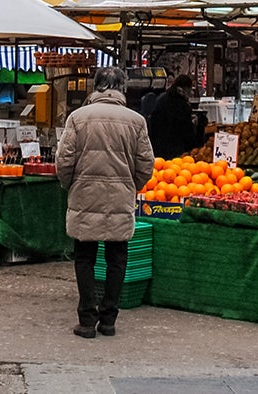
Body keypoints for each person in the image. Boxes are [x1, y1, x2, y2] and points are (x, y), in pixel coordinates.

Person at [55, 65, 154, 339]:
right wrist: (130, 186)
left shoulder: (78, 117)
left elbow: (64, 161)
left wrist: (70, 184)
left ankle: (87, 319)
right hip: (120, 197)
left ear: (95, 86)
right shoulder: (136, 121)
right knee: (117, 257)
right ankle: (109, 319)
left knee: (85, 257)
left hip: (84, 195)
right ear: (122, 88)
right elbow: (146, 165)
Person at [147, 74, 204, 160]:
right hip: (176, 150)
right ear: (186, 88)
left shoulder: (161, 99)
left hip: (157, 148)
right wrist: (195, 124)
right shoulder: (182, 105)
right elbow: (187, 133)